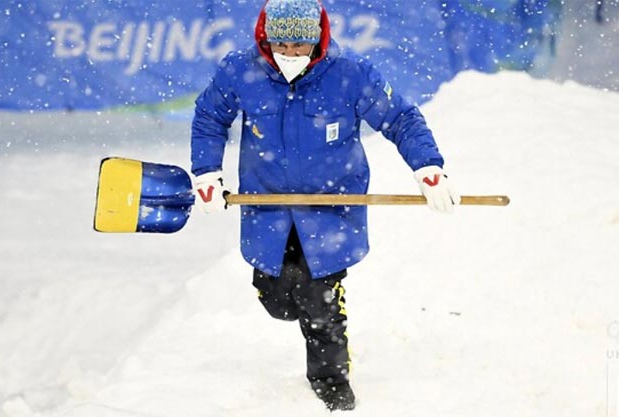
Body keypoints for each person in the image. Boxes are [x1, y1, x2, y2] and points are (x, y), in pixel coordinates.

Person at [190, 0, 459, 411]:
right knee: (278, 301)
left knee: (319, 301)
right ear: (265, 37)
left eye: (300, 45)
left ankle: (331, 379)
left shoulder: (350, 73)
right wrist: (207, 172)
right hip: (268, 210)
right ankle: (302, 299)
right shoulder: (240, 71)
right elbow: (210, 116)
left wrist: (428, 168)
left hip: (332, 209)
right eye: (281, 43)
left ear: (318, 39)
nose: (290, 54)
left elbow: (400, 118)